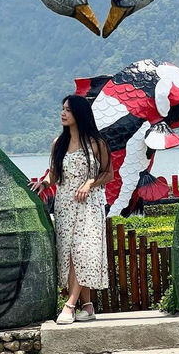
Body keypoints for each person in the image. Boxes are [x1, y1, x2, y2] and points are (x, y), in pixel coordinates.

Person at [30, 94, 113, 324]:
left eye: (68, 109)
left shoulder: (97, 143)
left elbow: (108, 173)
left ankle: (69, 305)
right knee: (69, 254)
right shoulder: (59, 143)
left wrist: (89, 182)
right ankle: (87, 307)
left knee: (82, 252)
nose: (63, 113)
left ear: (80, 113)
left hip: (90, 205)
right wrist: (44, 182)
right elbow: (55, 173)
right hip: (65, 205)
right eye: (62, 109)